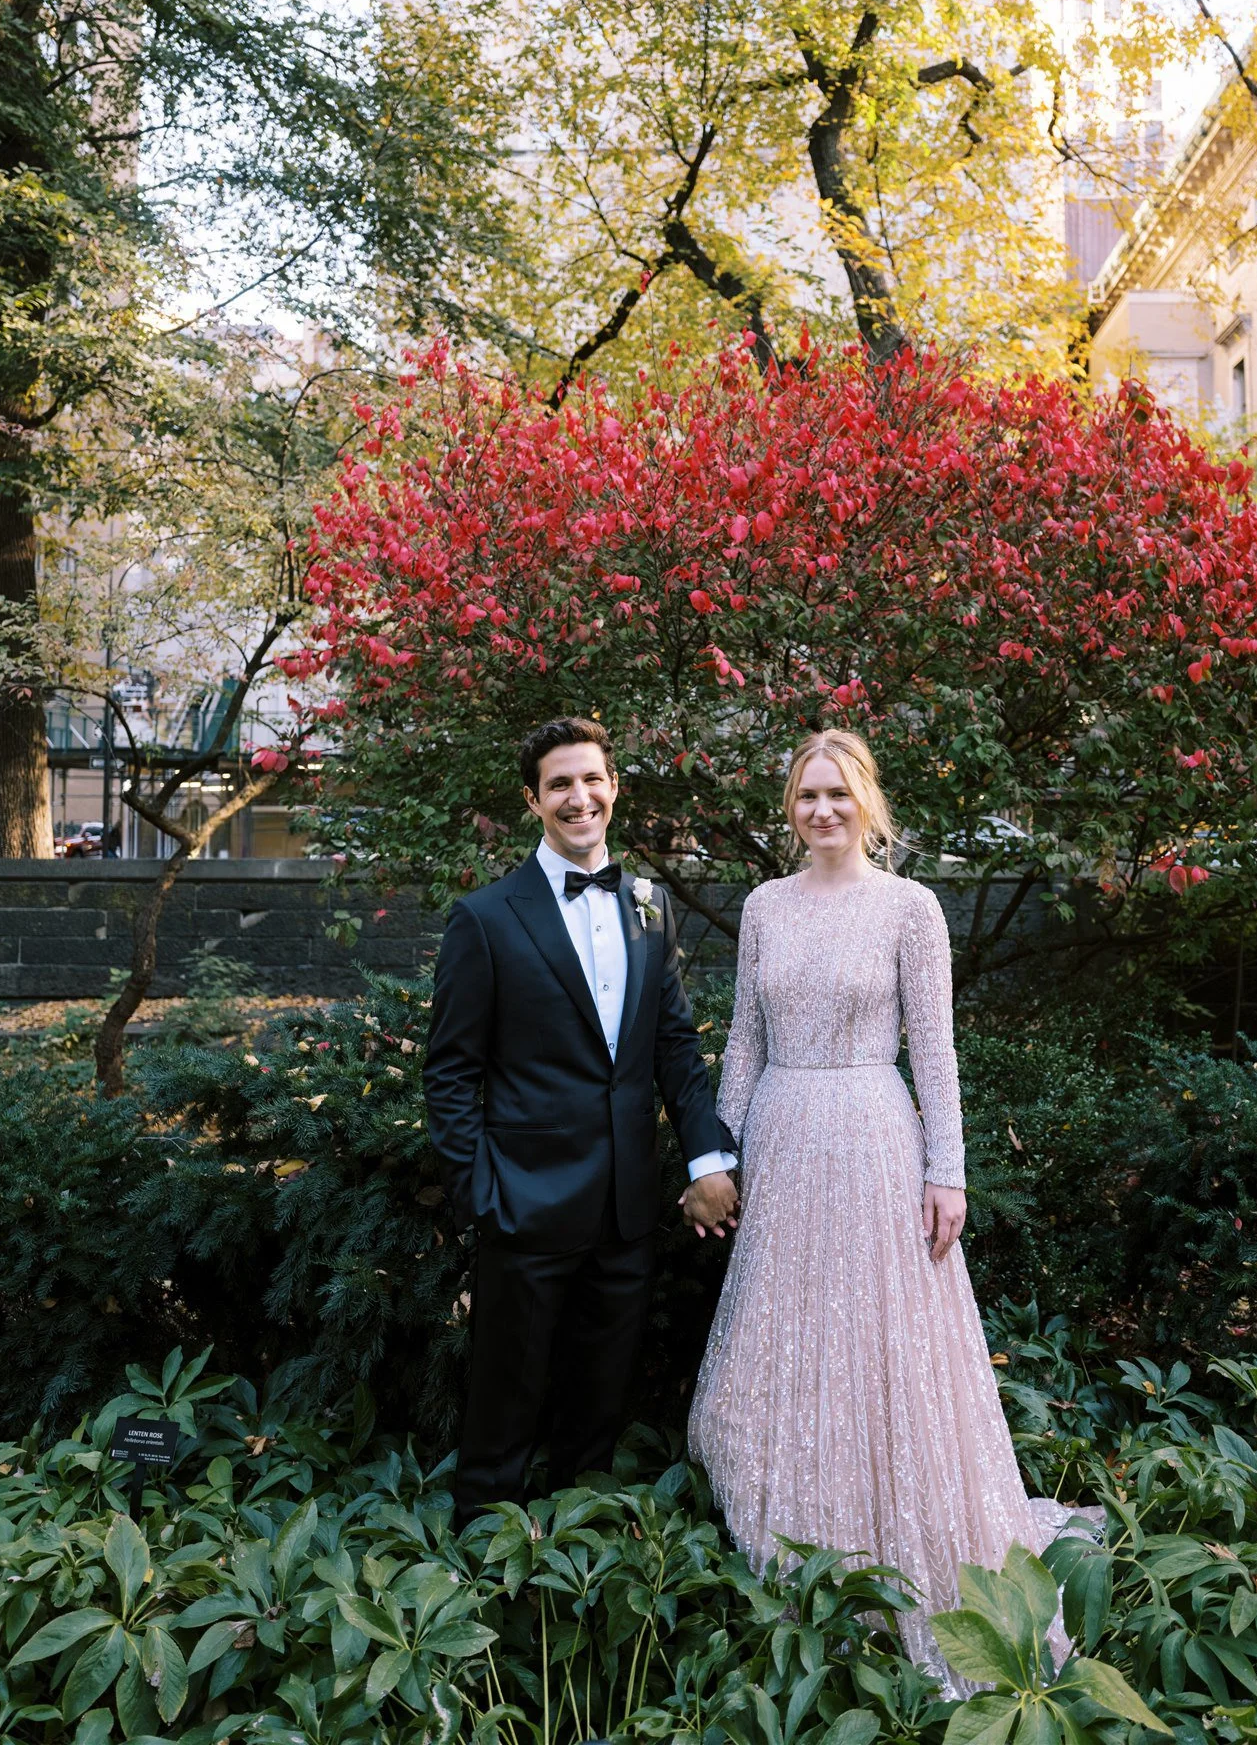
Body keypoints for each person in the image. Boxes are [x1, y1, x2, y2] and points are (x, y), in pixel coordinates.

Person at [688, 728, 1080, 1684]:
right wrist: (715, 1157)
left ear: (868, 803)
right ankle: (793, 1548)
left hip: (872, 1135)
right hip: (780, 1138)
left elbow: (935, 1052)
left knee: (877, 1343)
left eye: (837, 794)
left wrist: (947, 1172)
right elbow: (742, 1043)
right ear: (791, 807)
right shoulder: (765, 906)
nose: (821, 810)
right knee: (781, 1342)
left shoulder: (911, 909)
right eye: (805, 796)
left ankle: (899, 1554)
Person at [424, 715, 740, 1525]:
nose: (579, 797)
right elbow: (452, 1073)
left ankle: (578, 1572)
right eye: (560, 784)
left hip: (627, 1210)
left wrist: (706, 1160)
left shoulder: (649, 906)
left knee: (595, 1417)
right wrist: (481, 1197)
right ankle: (478, 1585)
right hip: (523, 1208)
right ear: (533, 800)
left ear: (614, 788)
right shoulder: (486, 919)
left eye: (591, 779)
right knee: (503, 1416)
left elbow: (673, 1044)